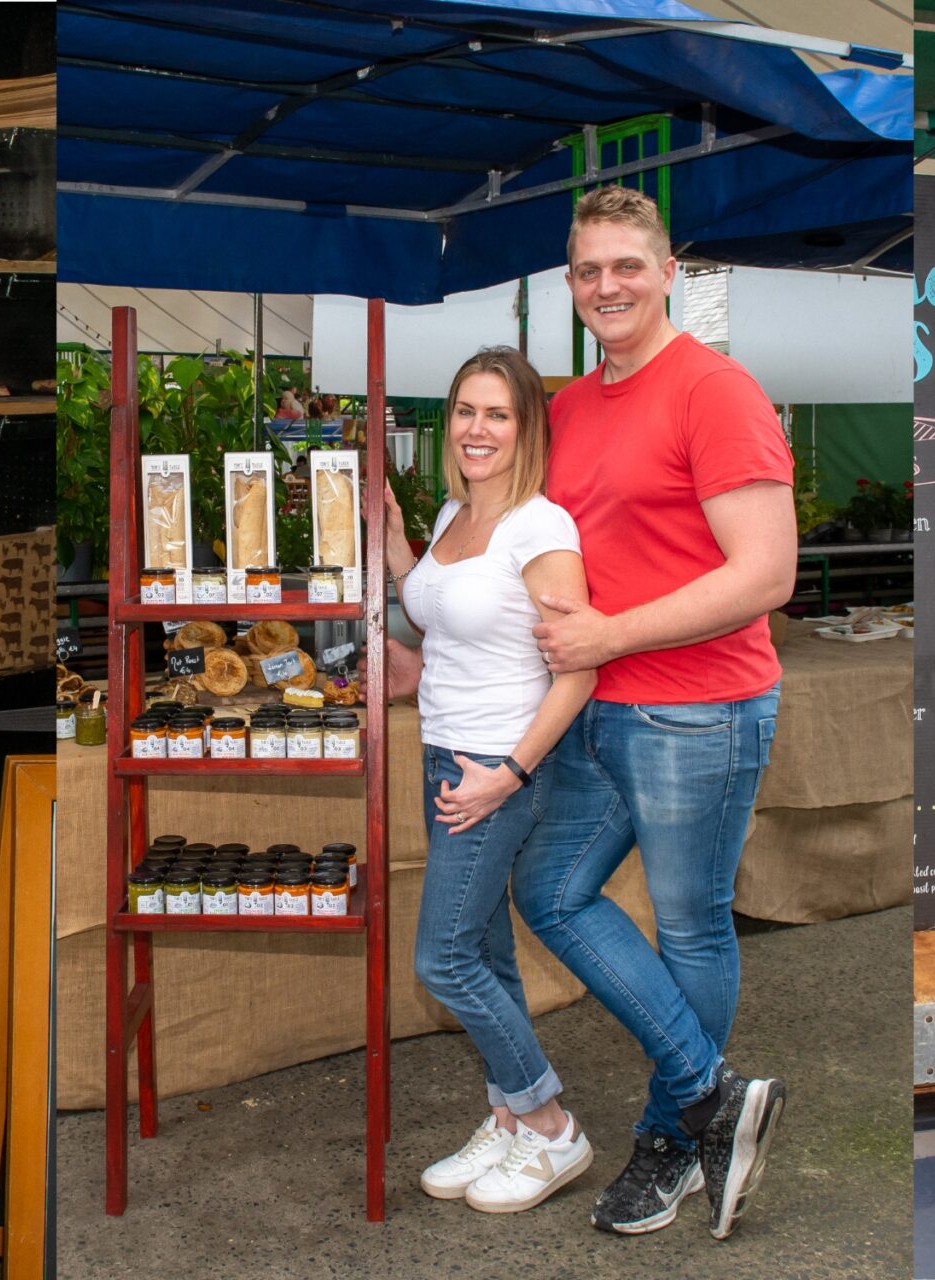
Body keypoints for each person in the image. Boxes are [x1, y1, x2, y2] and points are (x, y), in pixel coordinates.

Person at [520, 183, 796, 1240]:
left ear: (668, 269)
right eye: (588, 270)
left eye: (626, 265)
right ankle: (711, 1093)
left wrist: (610, 635)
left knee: (688, 923)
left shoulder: (715, 391)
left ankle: (671, 1143)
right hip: (598, 706)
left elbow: (766, 572)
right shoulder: (570, 405)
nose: (607, 286)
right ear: (571, 284)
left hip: (700, 707)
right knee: (549, 890)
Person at [375, 348, 598, 1214]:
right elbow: (443, 614)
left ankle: (548, 1125)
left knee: (444, 956)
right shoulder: (450, 516)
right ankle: (507, 1119)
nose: (476, 428)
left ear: (527, 428)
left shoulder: (540, 529)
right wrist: (397, 547)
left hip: (498, 764)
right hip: (446, 754)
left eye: (496, 414)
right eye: (465, 411)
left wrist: (509, 774)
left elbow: (577, 670)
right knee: (487, 950)